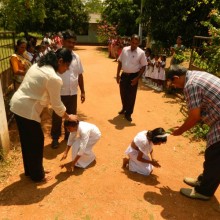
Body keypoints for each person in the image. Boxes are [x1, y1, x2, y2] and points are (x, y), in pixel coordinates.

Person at [10, 49, 77, 183]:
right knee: (36, 141)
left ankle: (31, 171)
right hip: (26, 110)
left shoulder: (38, 65)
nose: (66, 69)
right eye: (66, 65)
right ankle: (38, 176)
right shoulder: (53, 78)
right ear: (60, 61)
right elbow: (57, 105)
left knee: (27, 141)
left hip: (17, 105)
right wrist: (69, 117)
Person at [166, 65, 220, 200]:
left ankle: (204, 191)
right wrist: (184, 125)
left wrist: (180, 131)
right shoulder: (196, 75)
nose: (175, 86)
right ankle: (203, 181)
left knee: (215, 155)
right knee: (214, 154)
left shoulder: (190, 85)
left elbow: (194, 117)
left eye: (173, 83)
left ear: (176, 78)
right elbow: (196, 113)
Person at [50, 30, 86, 149]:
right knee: (57, 116)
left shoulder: (77, 57)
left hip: (72, 93)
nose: (71, 45)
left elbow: (80, 74)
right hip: (59, 93)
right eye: (69, 42)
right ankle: (55, 138)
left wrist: (83, 91)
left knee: (71, 116)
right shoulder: (56, 56)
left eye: (73, 42)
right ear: (63, 41)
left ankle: (68, 137)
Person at [116, 34, 146, 122]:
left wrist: (137, 78)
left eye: (136, 43)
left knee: (131, 96)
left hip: (134, 76)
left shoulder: (141, 53)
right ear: (130, 41)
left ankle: (128, 113)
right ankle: (124, 108)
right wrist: (117, 74)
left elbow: (144, 66)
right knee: (123, 93)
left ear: (138, 43)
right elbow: (120, 62)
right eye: (133, 42)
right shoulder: (125, 50)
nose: (134, 45)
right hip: (124, 75)